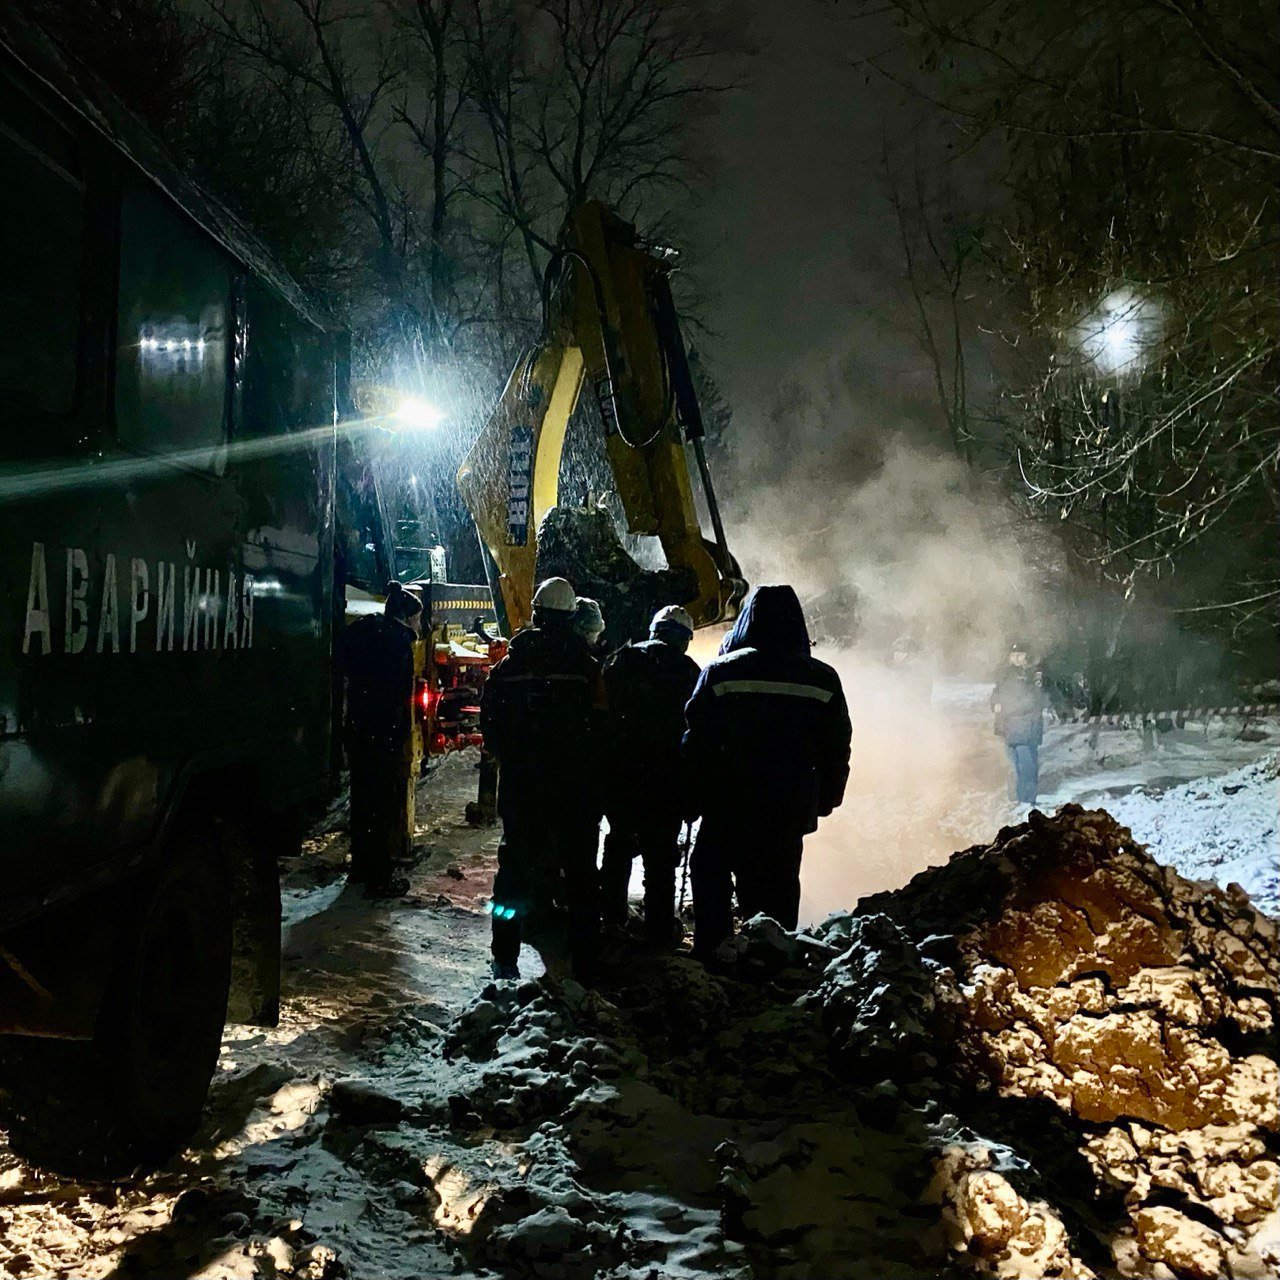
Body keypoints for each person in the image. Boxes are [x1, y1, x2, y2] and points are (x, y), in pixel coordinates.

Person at [684, 585, 851, 961]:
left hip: (729, 803)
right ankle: (774, 961)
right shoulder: (823, 679)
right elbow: (836, 747)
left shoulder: (719, 673)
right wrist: (824, 799)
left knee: (710, 873)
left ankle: (715, 954)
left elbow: (696, 744)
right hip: (789, 807)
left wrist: (693, 797)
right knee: (777, 885)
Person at [480, 576, 605, 981]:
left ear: (535, 614)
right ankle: (585, 962)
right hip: (575, 793)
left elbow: (491, 728)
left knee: (513, 875)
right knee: (583, 878)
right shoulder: (588, 669)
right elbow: (604, 728)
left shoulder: (509, 667)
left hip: (522, 792)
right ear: (571, 618)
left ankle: (504, 958)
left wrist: (517, 760)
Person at [600, 605, 701, 945]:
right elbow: (698, 733)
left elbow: (603, 714)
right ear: (684, 639)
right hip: (667, 781)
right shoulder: (691, 672)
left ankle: (610, 917)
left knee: (618, 844)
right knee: (660, 857)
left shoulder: (623, 661)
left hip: (622, 774)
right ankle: (659, 928)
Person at [341, 581, 423, 897]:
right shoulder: (398, 646)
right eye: (416, 616)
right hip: (383, 735)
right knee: (382, 807)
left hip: (360, 731)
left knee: (363, 803)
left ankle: (360, 869)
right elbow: (399, 697)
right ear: (405, 617)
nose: (419, 623)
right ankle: (379, 878)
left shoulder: (367, 634)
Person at [991, 641, 1047, 806]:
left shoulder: (1033, 674)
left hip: (1026, 726)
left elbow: (1034, 698)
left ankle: (1026, 800)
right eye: (1013, 655)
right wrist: (995, 703)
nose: (1016, 659)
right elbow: (997, 693)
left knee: (1026, 764)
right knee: (1014, 764)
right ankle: (1016, 798)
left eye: (1020, 655)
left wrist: (1008, 706)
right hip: (1009, 727)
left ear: (1026, 657)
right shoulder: (1005, 674)